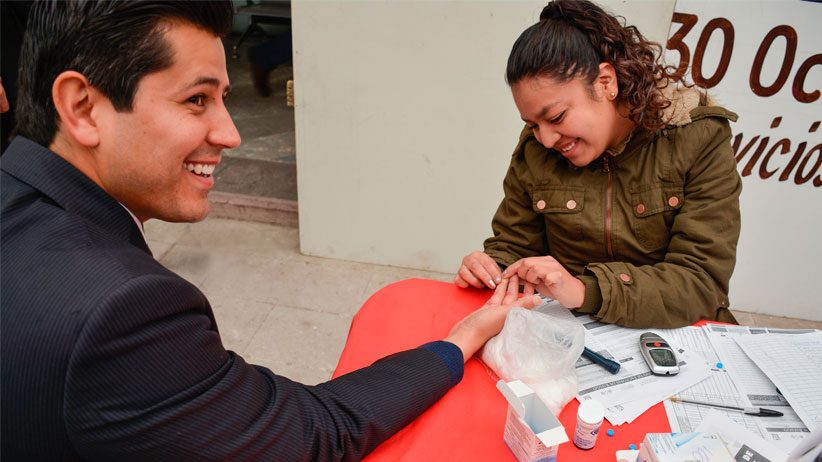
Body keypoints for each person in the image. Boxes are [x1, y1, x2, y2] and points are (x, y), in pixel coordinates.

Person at [0, 2, 540, 460]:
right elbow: (313, 434)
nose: (230, 134)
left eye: (223, 98)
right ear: (82, 107)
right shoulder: (126, 312)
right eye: (196, 99)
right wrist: (457, 343)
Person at [455, 0, 742, 328]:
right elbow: (515, 246)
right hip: (568, 330)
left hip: (680, 333)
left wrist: (585, 291)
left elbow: (701, 282)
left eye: (556, 117)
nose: (546, 139)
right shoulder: (536, 148)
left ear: (606, 82)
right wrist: (492, 267)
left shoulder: (697, 136)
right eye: (533, 124)